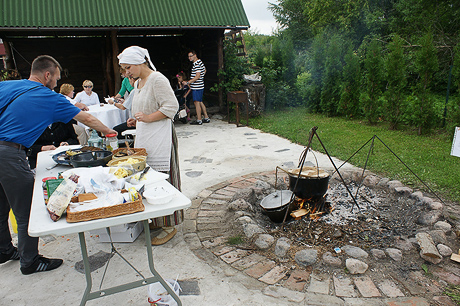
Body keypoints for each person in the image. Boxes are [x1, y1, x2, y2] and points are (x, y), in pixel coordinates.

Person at [0, 55, 117, 275]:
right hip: (9, 154)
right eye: (56, 78)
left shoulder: (6, 86)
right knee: (26, 212)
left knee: (0, 206)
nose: (56, 83)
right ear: (47, 75)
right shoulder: (48, 96)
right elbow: (87, 119)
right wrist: (110, 132)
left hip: (6, 152)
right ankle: (30, 261)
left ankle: (4, 250)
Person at [118, 46, 183, 245]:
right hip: (146, 135)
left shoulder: (157, 79)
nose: (126, 72)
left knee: (165, 176)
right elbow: (143, 109)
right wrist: (136, 121)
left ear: (140, 62)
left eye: (128, 67)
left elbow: (172, 107)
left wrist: (147, 118)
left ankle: (169, 224)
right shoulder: (138, 83)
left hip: (161, 135)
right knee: (150, 177)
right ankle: (158, 218)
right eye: (124, 68)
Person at [184, 50, 210, 125]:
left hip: (197, 86)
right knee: (200, 101)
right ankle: (206, 117)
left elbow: (197, 76)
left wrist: (189, 82)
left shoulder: (196, 64)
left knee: (196, 102)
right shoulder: (200, 62)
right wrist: (201, 78)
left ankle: (199, 119)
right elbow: (204, 70)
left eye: (191, 56)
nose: (189, 58)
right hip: (200, 85)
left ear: (195, 55)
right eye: (188, 56)